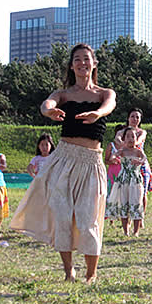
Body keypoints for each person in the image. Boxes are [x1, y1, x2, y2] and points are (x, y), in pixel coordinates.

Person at [10, 43, 116, 284]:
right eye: (77, 59)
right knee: (62, 216)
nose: (82, 63)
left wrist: (97, 114)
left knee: (89, 219)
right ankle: (69, 271)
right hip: (64, 160)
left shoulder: (103, 94)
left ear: (94, 64)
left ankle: (91, 274)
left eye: (86, 59)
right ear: (71, 65)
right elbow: (46, 104)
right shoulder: (64, 95)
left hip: (91, 163)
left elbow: (110, 105)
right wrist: (49, 111)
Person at [105, 127, 147, 236]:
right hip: (123, 180)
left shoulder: (138, 151)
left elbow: (144, 158)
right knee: (124, 204)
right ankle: (125, 231)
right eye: (128, 136)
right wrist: (113, 158)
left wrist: (139, 161)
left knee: (136, 203)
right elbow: (114, 154)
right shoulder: (122, 151)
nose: (130, 139)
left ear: (136, 138)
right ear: (124, 139)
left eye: (133, 136)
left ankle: (136, 231)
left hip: (135, 180)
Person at [116, 108, 152, 225]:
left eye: (137, 117)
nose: (135, 119)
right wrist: (125, 145)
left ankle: (140, 217)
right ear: (128, 118)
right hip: (127, 164)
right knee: (126, 193)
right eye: (132, 116)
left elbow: (139, 141)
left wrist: (130, 143)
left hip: (140, 163)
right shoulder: (122, 132)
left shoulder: (142, 132)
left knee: (142, 192)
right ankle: (127, 218)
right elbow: (117, 139)